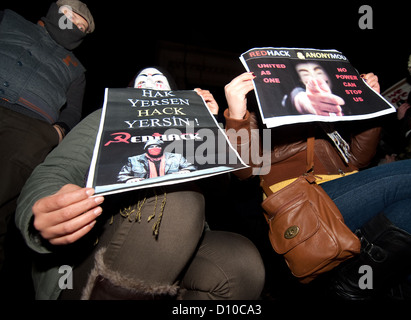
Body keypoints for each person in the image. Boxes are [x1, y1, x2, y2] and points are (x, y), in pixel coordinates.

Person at [15, 67, 265, 300]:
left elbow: (243, 176)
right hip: (91, 252)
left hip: (180, 243)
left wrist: (224, 120)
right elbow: (56, 170)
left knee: (242, 263)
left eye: (159, 81)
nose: (150, 85)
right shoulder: (105, 118)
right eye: (141, 81)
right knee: (176, 197)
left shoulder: (190, 127)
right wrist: (47, 208)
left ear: (175, 95)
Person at [224, 71, 411, 299]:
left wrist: (368, 100)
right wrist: (236, 115)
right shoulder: (258, 106)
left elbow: (358, 160)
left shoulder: (325, 108)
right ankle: (352, 279)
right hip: (303, 204)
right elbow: (244, 172)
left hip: (348, 191)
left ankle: (363, 259)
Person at [0, 0, 95, 272]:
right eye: (71, 18)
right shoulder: (9, 19)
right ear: (56, 11)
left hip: (28, 131)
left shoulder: (75, 68)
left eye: (81, 28)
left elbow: (73, 111)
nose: (74, 27)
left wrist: (56, 133)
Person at [117, 139, 197, 183]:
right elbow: (121, 176)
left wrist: (186, 170)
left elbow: (192, 167)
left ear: (162, 148)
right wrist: (129, 179)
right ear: (146, 149)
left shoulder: (176, 157)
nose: (155, 148)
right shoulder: (133, 160)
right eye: (151, 146)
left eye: (157, 146)